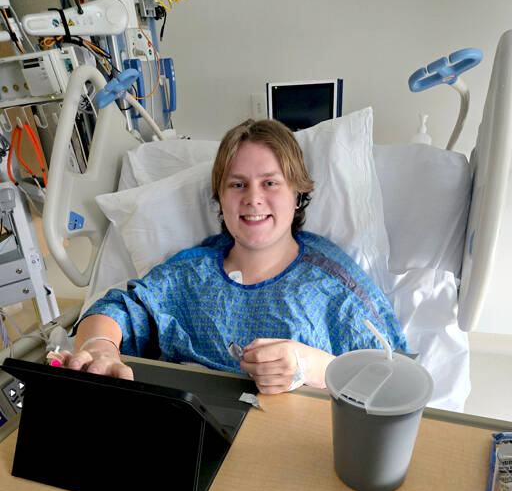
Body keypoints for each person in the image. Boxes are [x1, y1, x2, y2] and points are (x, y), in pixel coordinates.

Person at [62, 118, 407, 393]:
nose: (253, 199)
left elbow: (395, 376)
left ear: (298, 194)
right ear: (220, 198)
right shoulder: (190, 272)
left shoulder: (334, 282)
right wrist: (99, 348)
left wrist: (312, 367)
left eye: (270, 183)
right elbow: (118, 308)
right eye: (237, 184)